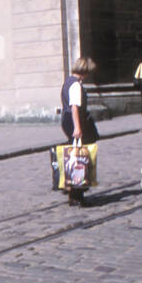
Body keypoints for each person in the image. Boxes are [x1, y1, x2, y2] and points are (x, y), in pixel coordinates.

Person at [60, 56, 98, 207]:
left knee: (76, 155)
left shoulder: (68, 81)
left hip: (67, 119)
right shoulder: (76, 85)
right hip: (74, 120)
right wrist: (78, 127)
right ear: (85, 71)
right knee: (80, 158)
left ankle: (73, 191)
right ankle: (76, 193)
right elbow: (75, 106)